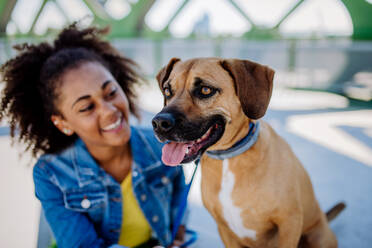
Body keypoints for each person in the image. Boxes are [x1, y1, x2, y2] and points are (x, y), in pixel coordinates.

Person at [0, 23, 187, 248]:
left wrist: (178, 232)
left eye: (110, 92)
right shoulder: (50, 174)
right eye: (87, 107)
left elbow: (178, 190)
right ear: (63, 123)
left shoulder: (160, 146)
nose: (109, 111)